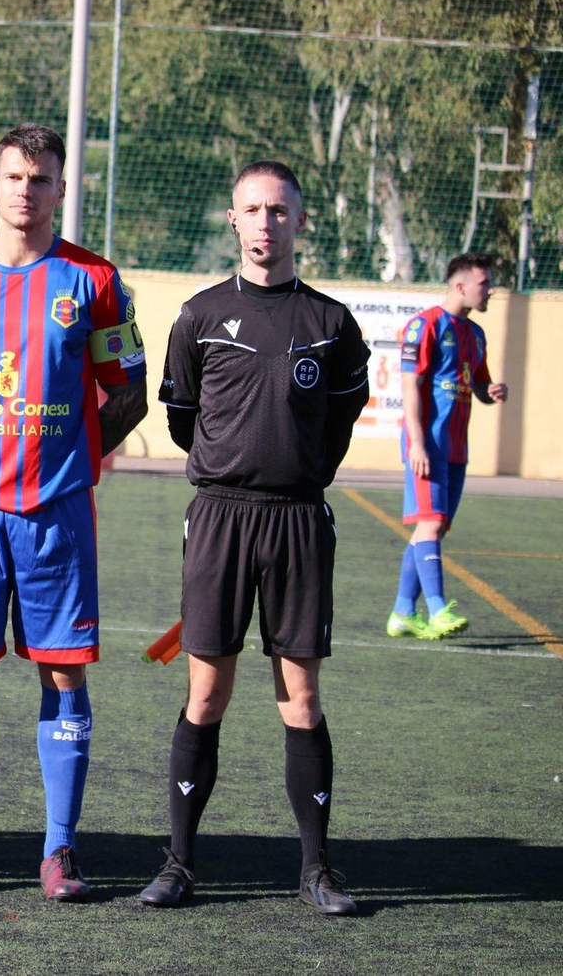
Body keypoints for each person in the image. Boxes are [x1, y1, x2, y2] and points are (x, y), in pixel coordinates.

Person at [0, 123, 148, 899]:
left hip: (56, 510)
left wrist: (74, 454)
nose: (25, 191)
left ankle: (60, 849)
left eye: (40, 179)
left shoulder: (96, 281)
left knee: (63, 675)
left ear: (60, 189)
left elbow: (130, 387)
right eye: (14, 176)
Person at [144, 160, 370, 915]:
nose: (266, 222)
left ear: (300, 221)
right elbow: (183, 419)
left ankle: (317, 868)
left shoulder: (331, 323)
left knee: (300, 696)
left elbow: (337, 423)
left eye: (279, 210)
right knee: (205, 689)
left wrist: (294, 473)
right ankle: (179, 861)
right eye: (252, 209)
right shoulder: (200, 316)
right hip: (219, 516)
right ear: (233, 221)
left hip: (299, 519)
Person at [386, 252, 509, 639]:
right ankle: (438, 610)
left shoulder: (475, 335)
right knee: (432, 522)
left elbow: (478, 386)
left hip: (457, 449)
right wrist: (417, 444)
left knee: (432, 528)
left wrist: (489, 391)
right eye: (484, 283)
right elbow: (410, 388)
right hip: (429, 444)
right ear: (460, 286)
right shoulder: (425, 326)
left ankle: (404, 612)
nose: (490, 290)